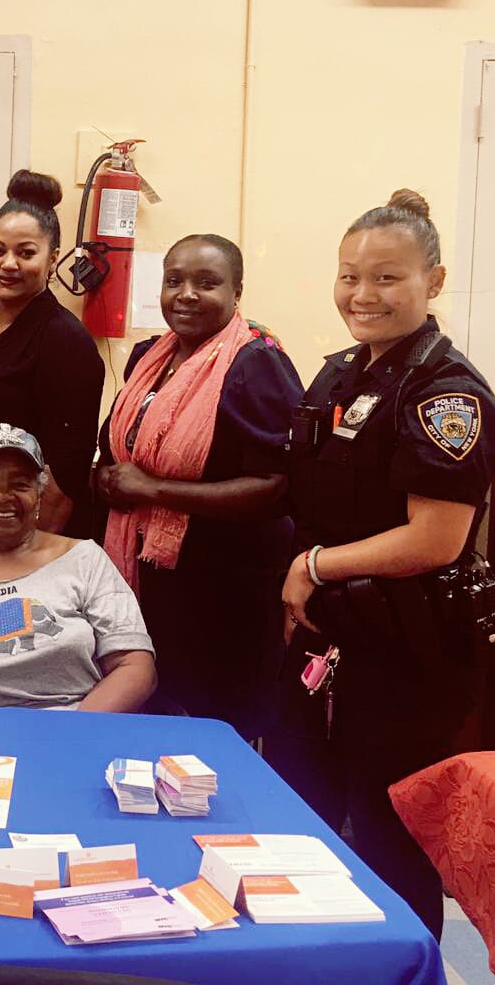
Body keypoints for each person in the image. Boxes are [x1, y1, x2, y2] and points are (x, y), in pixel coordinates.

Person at [265, 190, 495, 941]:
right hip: (328, 638)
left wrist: (314, 565)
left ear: (433, 283)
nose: (361, 296)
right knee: (303, 821)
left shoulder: (445, 393)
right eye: (349, 276)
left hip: (406, 656)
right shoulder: (339, 374)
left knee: (388, 839)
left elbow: (435, 538)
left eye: (386, 278)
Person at [94, 233, 303, 736]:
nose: (186, 294)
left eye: (206, 283)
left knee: (212, 734)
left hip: (223, 594)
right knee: (153, 719)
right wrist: (106, 477)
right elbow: (124, 448)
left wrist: (152, 490)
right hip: (147, 579)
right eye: (174, 281)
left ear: (237, 293)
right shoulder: (148, 356)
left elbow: (276, 485)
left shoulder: (256, 364)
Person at [0, 425, 155, 711]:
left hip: (82, 727)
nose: (3, 496)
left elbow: (135, 666)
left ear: (39, 494)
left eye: (20, 485)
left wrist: (71, 731)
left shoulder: (84, 559)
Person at [0, 171, 105, 547]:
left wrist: (26, 556)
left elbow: (66, 471)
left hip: (29, 534)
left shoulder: (66, 340)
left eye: (26, 253)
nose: (8, 264)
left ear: (52, 260)